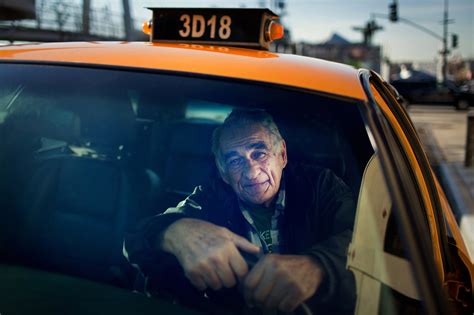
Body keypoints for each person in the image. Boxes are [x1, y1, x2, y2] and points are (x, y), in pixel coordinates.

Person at [124, 109, 356, 314]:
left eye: (259, 154)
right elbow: (134, 239)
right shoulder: (209, 197)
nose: (251, 172)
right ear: (224, 173)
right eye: (235, 161)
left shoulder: (320, 185)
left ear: (282, 155)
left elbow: (366, 240)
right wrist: (171, 232)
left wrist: (318, 266)